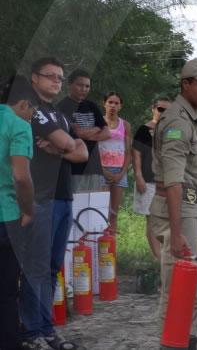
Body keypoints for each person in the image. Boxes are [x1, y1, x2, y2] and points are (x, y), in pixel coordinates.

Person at [149, 58, 197, 347]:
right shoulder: (177, 121)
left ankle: (186, 341)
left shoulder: (193, 117)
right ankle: (171, 344)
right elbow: (173, 180)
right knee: (179, 289)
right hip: (177, 210)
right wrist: (176, 233)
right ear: (185, 84)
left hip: (190, 208)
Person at [21, 57, 88, 350]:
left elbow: (81, 151)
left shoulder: (57, 114)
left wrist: (59, 150)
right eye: (51, 76)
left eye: (60, 77)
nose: (57, 82)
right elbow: (68, 143)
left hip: (64, 196)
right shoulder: (32, 111)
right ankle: (31, 332)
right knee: (35, 268)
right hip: (40, 198)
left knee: (51, 267)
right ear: (34, 78)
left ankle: (47, 329)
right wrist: (65, 146)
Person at [0, 75, 36, 350]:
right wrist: (28, 210)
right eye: (33, 109)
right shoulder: (18, 126)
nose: (33, 115)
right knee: (6, 289)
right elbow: (21, 178)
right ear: (24, 103)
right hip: (6, 217)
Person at [57, 69, 110, 192]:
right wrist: (96, 129)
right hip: (73, 168)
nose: (84, 89)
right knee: (76, 207)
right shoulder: (61, 107)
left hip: (94, 167)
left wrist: (84, 134)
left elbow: (107, 133)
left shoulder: (92, 106)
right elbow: (74, 135)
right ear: (70, 85)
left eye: (87, 86)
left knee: (93, 208)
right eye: (80, 85)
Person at [132, 96, 171, 260]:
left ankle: (167, 254)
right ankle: (158, 258)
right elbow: (136, 154)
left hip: (168, 182)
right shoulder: (143, 129)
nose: (164, 113)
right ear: (153, 109)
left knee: (167, 220)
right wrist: (139, 176)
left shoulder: (173, 130)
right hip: (148, 180)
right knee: (152, 220)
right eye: (161, 109)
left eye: (168, 110)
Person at [98, 92, 131, 232]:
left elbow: (128, 151)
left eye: (116, 103)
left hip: (119, 170)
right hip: (101, 170)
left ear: (120, 106)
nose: (113, 105)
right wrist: (102, 170)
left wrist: (122, 173)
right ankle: (99, 243)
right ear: (104, 103)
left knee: (114, 212)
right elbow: (92, 149)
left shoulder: (125, 125)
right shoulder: (98, 122)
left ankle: (111, 247)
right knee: (101, 210)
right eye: (110, 102)